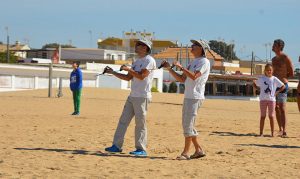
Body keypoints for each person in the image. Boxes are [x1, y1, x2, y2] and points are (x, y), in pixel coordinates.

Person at [104, 38, 156, 156]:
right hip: (133, 96)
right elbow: (128, 78)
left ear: (145, 47)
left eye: (138, 45)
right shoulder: (137, 61)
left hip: (143, 97)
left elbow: (142, 76)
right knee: (123, 121)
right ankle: (116, 146)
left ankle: (141, 149)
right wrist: (113, 72)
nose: (136, 46)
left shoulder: (149, 60)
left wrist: (129, 69)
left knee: (140, 124)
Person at [161, 39, 210, 160]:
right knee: (187, 124)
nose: (192, 47)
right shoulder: (193, 62)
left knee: (188, 125)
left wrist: (181, 67)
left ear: (202, 49)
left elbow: (194, 76)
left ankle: (185, 153)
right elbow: (182, 79)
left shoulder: (204, 62)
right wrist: (169, 68)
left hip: (195, 97)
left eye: (195, 45)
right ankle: (198, 150)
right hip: (189, 96)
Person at [253, 64, 285, 137]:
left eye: (270, 70)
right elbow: (254, 83)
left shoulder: (274, 79)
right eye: (267, 70)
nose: (269, 71)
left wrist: (276, 92)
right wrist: (257, 88)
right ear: (265, 71)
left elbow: (283, 86)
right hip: (263, 100)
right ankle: (261, 133)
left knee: (271, 116)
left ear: (272, 71)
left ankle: (272, 133)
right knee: (263, 116)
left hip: (272, 100)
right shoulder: (262, 78)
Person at [271, 39, 294, 137]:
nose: (272, 46)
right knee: (275, 108)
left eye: (274, 44)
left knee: (282, 108)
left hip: (283, 85)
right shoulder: (273, 59)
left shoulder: (285, 58)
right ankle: (280, 129)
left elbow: (291, 72)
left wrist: (283, 78)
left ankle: (284, 131)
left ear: (280, 46)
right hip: (274, 86)